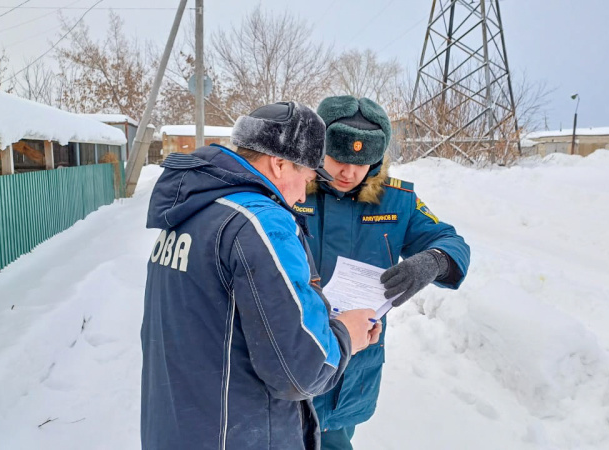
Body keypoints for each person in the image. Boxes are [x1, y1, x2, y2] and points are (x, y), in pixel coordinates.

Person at [141, 101, 377, 450]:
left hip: (179, 431)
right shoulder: (261, 223)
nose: (300, 197)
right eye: (307, 179)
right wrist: (347, 335)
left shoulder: (191, 211)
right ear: (279, 163)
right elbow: (300, 369)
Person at [296, 96, 471, 449]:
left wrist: (433, 261)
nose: (349, 173)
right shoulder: (289, 188)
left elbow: (451, 241)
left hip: (353, 368)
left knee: (334, 440)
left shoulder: (398, 200)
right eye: (339, 160)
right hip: (293, 352)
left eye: (361, 163)